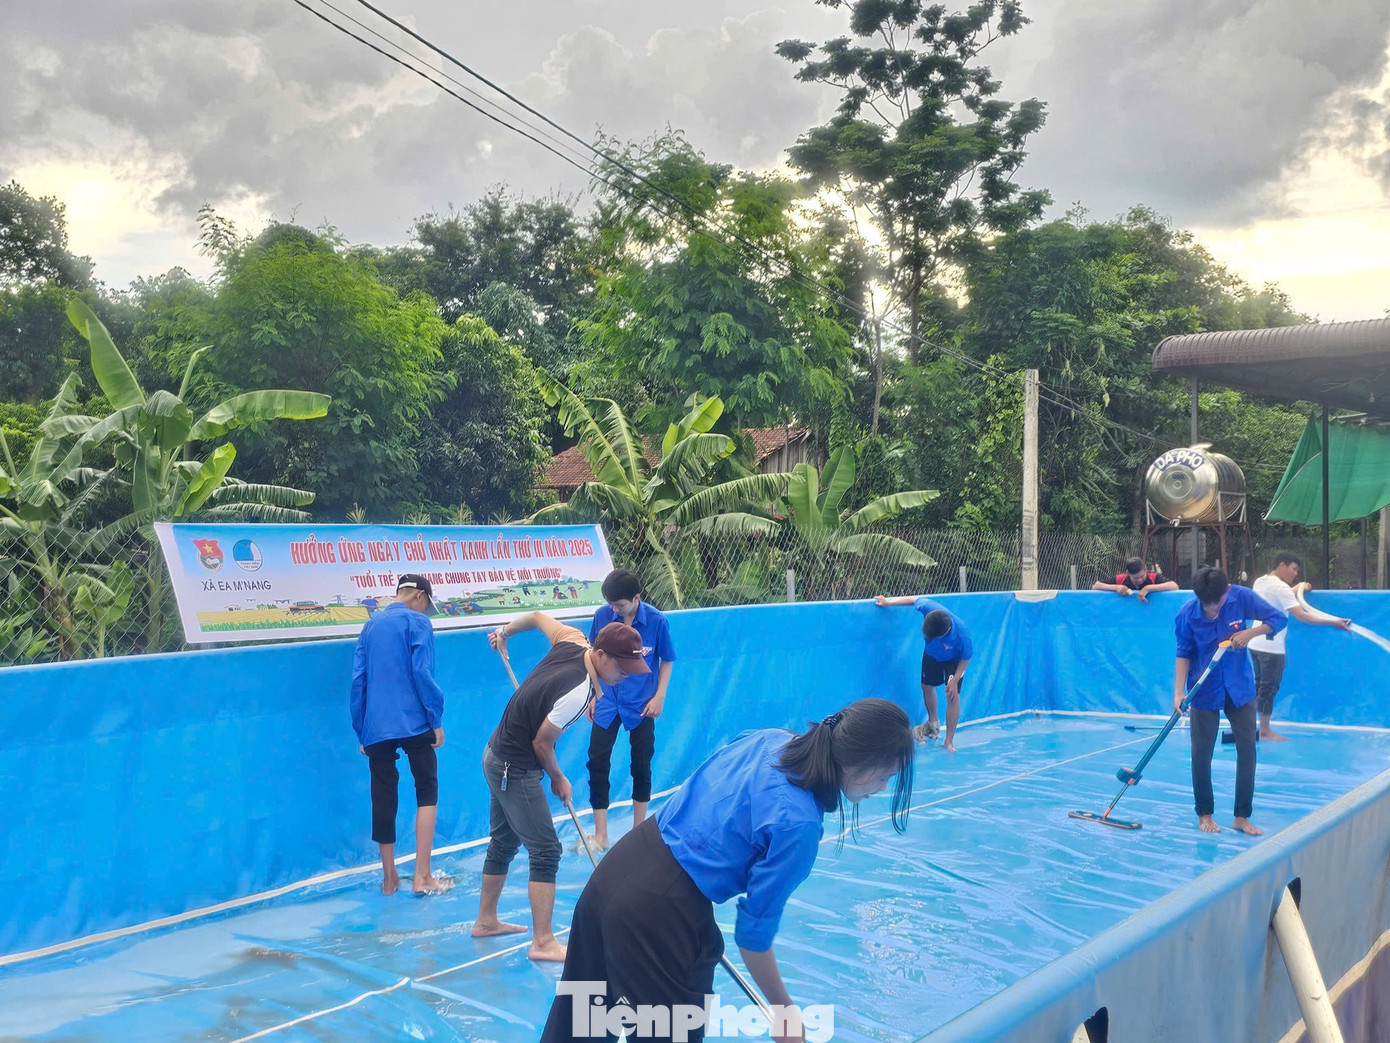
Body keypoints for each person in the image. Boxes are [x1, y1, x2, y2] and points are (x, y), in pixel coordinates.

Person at [540, 698, 914, 1043]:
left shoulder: (772, 739)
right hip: (659, 912)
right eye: (885, 777)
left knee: (579, 1026)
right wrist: (784, 1011)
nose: (881, 788)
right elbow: (753, 935)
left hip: (618, 869)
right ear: (860, 760)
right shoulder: (798, 826)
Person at [475, 612, 650, 962]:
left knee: (504, 840)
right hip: (514, 766)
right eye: (621, 669)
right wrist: (558, 777)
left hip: (495, 755)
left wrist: (504, 632)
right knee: (546, 851)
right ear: (600, 656)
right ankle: (542, 942)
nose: (624, 677)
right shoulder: (577, 691)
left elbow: (540, 617)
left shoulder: (573, 639)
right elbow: (542, 743)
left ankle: (486, 921)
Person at [349, 574, 448, 896]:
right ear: (420, 596)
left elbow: (359, 679)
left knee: (383, 795)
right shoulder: (417, 622)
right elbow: (422, 672)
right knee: (427, 790)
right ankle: (422, 877)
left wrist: (361, 728)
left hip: (376, 724)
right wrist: (435, 718)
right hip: (415, 720)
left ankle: (389, 878)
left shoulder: (371, 626)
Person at [1173, 566, 1287, 836]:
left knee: (1248, 750)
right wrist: (1179, 693)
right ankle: (1205, 813)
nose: (1214, 610)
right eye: (1208, 606)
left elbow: (1278, 618)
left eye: (1219, 604)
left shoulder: (1241, 597)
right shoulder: (1187, 614)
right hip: (1203, 690)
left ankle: (1241, 816)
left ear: (1226, 591)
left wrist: (1252, 632)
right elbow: (1183, 652)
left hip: (1240, 687)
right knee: (1201, 754)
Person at [586, 569, 676, 850]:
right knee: (597, 761)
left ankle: (638, 833)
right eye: (611, 604)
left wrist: (659, 695)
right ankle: (601, 835)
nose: (614, 609)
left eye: (620, 605)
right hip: (607, 700)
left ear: (636, 598)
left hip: (641, 703)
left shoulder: (657, 621)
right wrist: (592, 692)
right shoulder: (603, 616)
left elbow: (667, 660)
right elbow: (592, 655)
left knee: (641, 763)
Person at [1248, 552, 1352, 741]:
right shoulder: (1281, 589)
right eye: (1294, 569)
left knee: (1259, 687)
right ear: (1282, 565)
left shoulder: (1260, 582)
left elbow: (1279, 595)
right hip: (1272, 648)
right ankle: (1264, 731)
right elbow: (1302, 615)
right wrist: (1333, 621)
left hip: (1255, 643)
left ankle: (1250, 727)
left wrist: (1298, 588)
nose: (1295, 573)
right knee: (1268, 689)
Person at [875, 594, 972, 751]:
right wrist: (887, 602)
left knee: (952, 696)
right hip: (932, 655)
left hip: (954, 661)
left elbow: (966, 658)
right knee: (926, 685)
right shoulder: (929, 607)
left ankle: (948, 741)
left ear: (943, 634)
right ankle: (933, 723)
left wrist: (954, 681)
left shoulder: (962, 634)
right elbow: (913, 599)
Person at [1092, 557, 1179, 601]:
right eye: (1135, 578)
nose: (1139, 580)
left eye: (1142, 576)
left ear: (1145, 570)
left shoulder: (1153, 577)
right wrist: (1116, 587)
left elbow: (1174, 586)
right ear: (1128, 573)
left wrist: (1148, 588)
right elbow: (1096, 586)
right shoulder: (1121, 579)